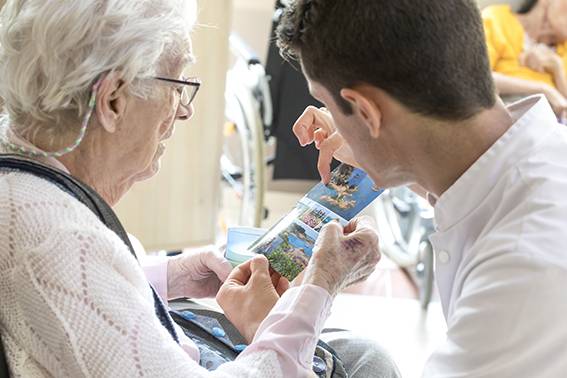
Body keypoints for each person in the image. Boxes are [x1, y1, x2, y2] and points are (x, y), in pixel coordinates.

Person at [0, 0, 401, 377]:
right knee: (367, 363)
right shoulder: (63, 241)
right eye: (177, 85)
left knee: (358, 353)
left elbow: (70, 302)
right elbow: (68, 272)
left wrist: (168, 276)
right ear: (113, 100)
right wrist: (319, 287)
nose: (185, 109)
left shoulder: (19, 168)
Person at [278, 0, 567, 376]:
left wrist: (280, 343)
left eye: (325, 102)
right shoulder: (538, 160)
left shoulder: (522, 266)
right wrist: (371, 148)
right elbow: (472, 191)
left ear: (367, 112)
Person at [482, 0, 567, 117]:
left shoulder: (564, 49)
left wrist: (558, 70)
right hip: (503, 114)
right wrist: (543, 89)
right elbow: (476, 77)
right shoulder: (497, 19)